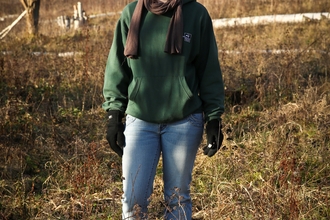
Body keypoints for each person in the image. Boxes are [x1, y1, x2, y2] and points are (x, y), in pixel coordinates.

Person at [102, 0, 225, 219]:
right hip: (140, 120)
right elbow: (117, 68)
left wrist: (214, 119)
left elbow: (209, 69)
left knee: (177, 199)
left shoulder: (196, 14)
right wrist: (114, 116)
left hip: (184, 121)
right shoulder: (131, 13)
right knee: (133, 201)